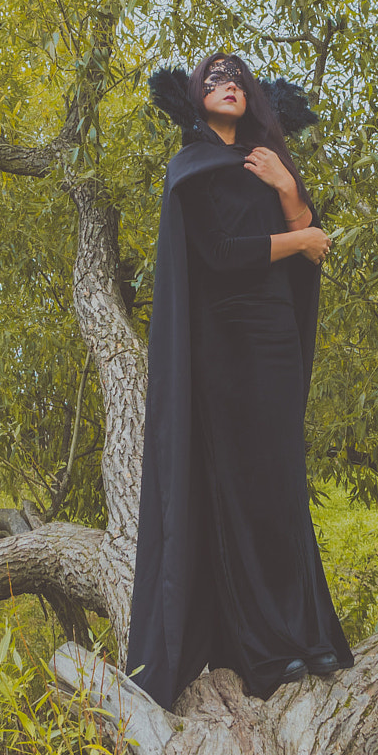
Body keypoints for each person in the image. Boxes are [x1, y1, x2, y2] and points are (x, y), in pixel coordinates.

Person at [125, 52, 354, 709]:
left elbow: (310, 235)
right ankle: (264, 649)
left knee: (282, 483)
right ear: (195, 101)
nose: (225, 84)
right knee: (242, 487)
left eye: (236, 79)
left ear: (253, 96)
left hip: (274, 336)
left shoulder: (268, 161)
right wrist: (300, 235)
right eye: (212, 80)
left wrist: (286, 188)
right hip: (222, 344)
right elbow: (227, 256)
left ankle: (306, 635)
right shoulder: (190, 169)